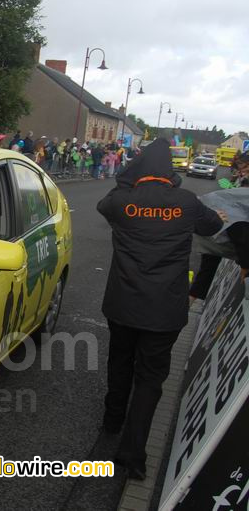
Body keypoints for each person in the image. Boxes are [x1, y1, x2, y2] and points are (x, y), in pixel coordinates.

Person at [96, 139, 225, 480]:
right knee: (151, 378)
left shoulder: (121, 201)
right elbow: (213, 226)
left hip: (123, 304)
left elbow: (104, 203)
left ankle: (112, 419)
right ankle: (133, 453)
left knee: (120, 359)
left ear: (138, 168)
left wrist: (130, 180)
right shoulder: (186, 202)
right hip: (164, 310)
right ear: (169, 171)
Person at [189, 153, 249, 301]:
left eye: (244, 168)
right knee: (208, 264)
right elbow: (239, 227)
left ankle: (191, 299)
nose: (241, 172)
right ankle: (191, 299)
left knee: (208, 265)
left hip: (226, 239)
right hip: (223, 238)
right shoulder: (240, 187)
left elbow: (240, 229)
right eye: (239, 169)